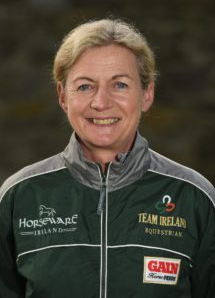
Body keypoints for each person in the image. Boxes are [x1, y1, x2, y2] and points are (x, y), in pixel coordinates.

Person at [0, 18, 214, 298]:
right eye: (85, 86)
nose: (101, 102)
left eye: (120, 85)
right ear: (63, 97)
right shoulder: (18, 197)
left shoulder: (195, 197)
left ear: (147, 94)